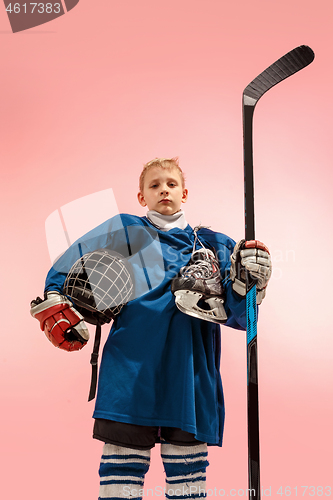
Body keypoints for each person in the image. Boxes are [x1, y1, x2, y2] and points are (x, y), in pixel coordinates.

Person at [31, 157, 272, 500]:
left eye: (171, 184)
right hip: (130, 365)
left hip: (189, 368)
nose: (164, 190)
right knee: (121, 471)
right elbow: (69, 265)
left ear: (184, 193)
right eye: (154, 185)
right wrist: (55, 295)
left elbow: (240, 318)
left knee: (187, 475)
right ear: (142, 197)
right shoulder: (125, 229)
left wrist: (250, 287)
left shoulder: (215, 244)